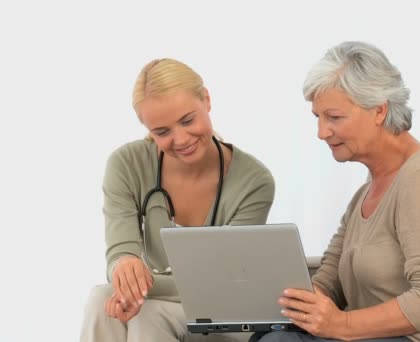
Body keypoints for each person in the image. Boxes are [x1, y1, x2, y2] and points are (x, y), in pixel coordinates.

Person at [255, 41, 420, 342]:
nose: (322, 132)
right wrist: (297, 304)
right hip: (394, 337)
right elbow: (331, 278)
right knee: (272, 335)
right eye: (318, 118)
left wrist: (342, 325)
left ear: (379, 110)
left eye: (334, 117)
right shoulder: (367, 192)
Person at [80, 58, 275, 342]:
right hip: (158, 305)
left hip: (219, 315)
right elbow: (119, 254)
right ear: (147, 129)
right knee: (102, 301)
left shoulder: (253, 181)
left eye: (188, 120)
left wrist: (140, 287)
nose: (181, 139)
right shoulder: (126, 164)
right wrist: (125, 268)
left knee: (145, 312)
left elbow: (223, 283)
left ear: (206, 100)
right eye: (162, 132)